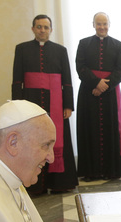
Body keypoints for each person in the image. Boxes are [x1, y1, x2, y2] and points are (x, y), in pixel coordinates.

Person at [12, 14, 78, 194]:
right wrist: (17, 106)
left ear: (51, 30)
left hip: (56, 103)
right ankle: (34, 186)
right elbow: (17, 81)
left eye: (46, 27)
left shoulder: (60, 50)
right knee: (32, 140)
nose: (42, 30)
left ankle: (59, 183)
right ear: (33, 29)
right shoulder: (22, 49)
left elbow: (67, 81)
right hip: (30, 101)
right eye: (39, 27)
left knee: (57, 139)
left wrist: (68, 105)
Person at [75, 12, 121, 181]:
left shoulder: (118, 45)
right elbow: (80, 67)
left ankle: (111, 170)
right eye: (99, 24)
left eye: (105, 24)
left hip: (110, 93)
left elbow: (120, 70)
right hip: (89, 92)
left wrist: (104, 86)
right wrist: (96, 83)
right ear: (93, 25)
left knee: (110, 130)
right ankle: (91, 172)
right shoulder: (84, 43)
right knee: (89, 130)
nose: (102, 27)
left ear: (109, 25)